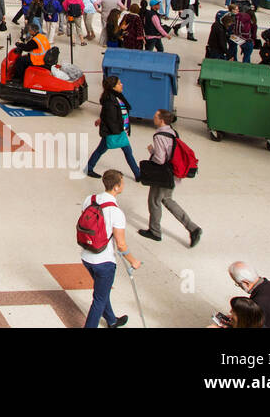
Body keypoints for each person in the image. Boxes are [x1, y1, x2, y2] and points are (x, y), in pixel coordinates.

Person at [79, 169, 140, 328]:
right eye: (122, 182)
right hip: (104, 261)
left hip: (86, 256)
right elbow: (121, 244)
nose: (123, 184)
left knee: (102, 291)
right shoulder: (116, 212)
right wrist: (133, 261)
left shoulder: (89, 199)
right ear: (116, 187)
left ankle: (112, 320)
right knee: (99, 299)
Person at [139, 109, 202, 247]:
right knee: (167, 200)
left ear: (161, 120)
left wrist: (152, 152)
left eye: (156, 116)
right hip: (173, 173)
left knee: (154, 201)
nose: (153, 117)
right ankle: (193, 228)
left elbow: (160, 159)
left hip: (163, 175)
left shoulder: (159, 136)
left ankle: (155, 231)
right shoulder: (172, 132)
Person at [84, 76, 141, 181]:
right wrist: (119, 132)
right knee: (105, 150)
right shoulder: (110, 100)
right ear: (113, 87)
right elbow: (110, 118)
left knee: (107, 151)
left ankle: (138, 174)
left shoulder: (116, 97)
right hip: (114, 132)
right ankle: (137, 174)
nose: (121, 84)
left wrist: (101, 120)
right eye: (119, 83)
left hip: (119, 130)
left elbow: (111, 114)